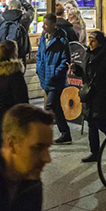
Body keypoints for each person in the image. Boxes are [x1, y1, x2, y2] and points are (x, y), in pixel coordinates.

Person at [76, 31, 106, 163]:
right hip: (90, 95)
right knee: (91, 123)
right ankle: (95, 152)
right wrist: (76, 70)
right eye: (89, 40)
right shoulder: (88, 54)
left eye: (93, 40)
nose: (90, 43)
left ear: (99, 42)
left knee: (100, 122)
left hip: (102, 95)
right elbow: (84, 73)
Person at [36, 15, 72, 144]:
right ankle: (65, 134)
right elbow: (39, 54)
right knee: (56, 107)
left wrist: (56, 72)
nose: (43, 26)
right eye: (43, 24)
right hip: (45, 75)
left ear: (53, 24)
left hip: (56, 79)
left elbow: (65, 60)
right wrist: (39, 68)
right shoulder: (43, 37)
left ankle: (40, 135)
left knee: (49, 106)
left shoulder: (62, 40)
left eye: (46, 24)